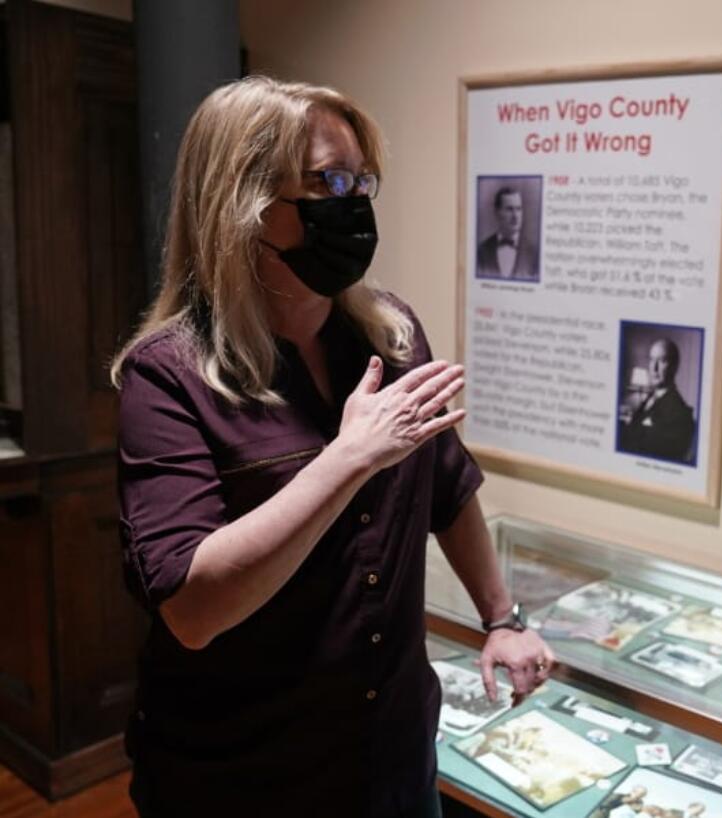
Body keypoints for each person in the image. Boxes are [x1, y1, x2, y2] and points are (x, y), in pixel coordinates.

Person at [110, 76, 553, 818]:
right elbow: (192, 608)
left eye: (361, 180)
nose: (353, 204)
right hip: (248, 776)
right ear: (241, 205)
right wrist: (347, 459)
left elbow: (447, 485)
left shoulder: (390, 334)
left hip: (393, 750)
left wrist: (501, 619)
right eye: (327, 182)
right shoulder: (168, 376)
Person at [618, 338, 695, 464]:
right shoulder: (649, 398)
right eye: (652, 359)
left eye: (662, 360)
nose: (654, 368)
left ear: (674, 366)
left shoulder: (680, 414)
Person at [475, 186, 539, 280]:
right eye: (509, 209)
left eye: (518, 209)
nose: (515, 216)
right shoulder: (481, 252)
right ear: (497, 212)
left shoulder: (534, 254)